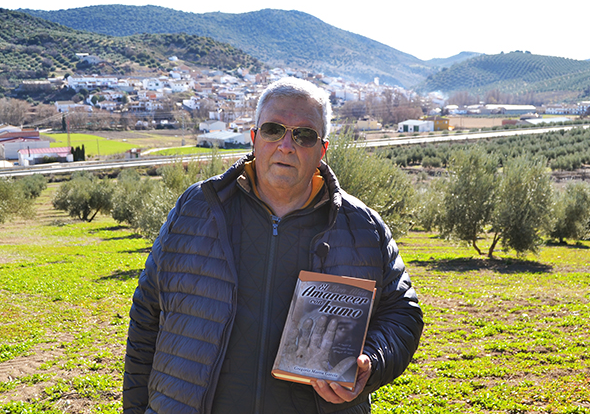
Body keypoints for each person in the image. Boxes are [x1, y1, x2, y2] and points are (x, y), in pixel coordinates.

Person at [123, 77, 423, 414]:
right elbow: (147, 315)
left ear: (322, 149)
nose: (286, 145)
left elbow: (402, 313)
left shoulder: (363, 228)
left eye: (303, 135)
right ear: (254, 139)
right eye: (273, 130)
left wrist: (372, 361)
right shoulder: (196, 209)